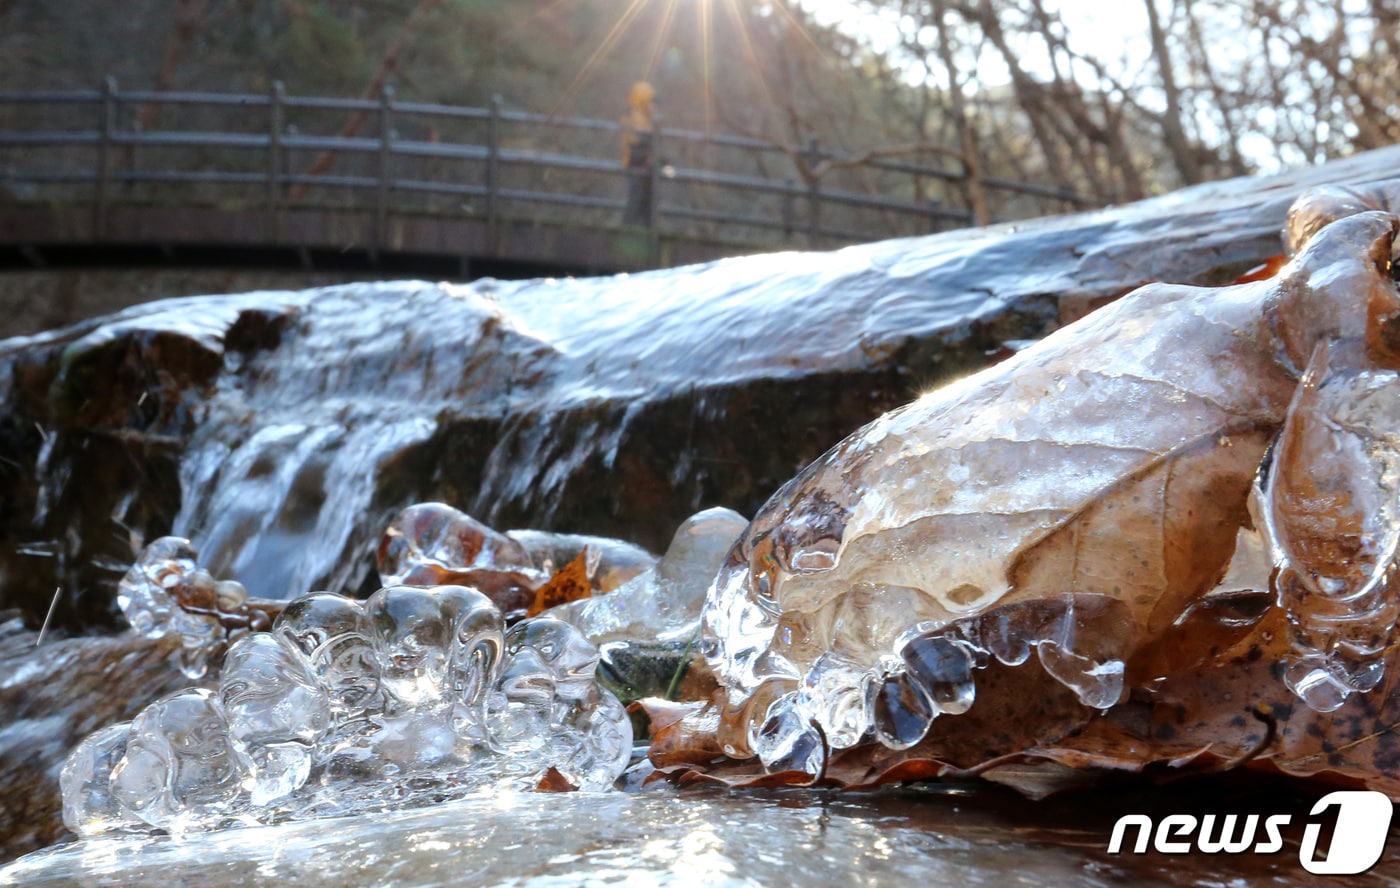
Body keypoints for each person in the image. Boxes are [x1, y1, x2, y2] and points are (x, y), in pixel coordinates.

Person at [620, 81, 655, 225]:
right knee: (636, 198)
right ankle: (629, 231)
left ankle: (642, 231)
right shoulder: (633, 116)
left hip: (643, 161)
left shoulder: (646, 115)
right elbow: (635, 140)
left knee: (646, 200)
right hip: (637, 161)